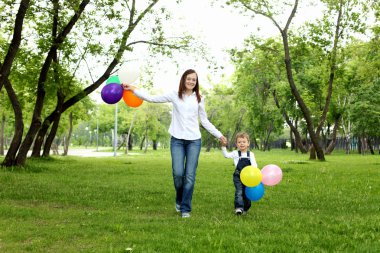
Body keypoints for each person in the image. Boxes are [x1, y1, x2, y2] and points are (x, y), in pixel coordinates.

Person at [123, 69, 227, 218]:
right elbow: (152, 98)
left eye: (194, 80)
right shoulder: (174, 95)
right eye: (189, 79)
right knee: (178, 174)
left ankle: (185, 208)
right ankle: (179, 199)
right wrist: (133, 89)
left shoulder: (199, 98)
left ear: (196, 82)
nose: (191, 81)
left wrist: (219, 135)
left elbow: (204, 120)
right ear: (183, 80)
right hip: (177, 140)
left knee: (190, 175)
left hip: (194, 141)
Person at [221, 132, 258, 215]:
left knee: (247, 193)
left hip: (248, 177)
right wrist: (223, 147)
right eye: (239, 142)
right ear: (236, 144)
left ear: (248, 143)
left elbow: (254, 165)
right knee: (239, 191)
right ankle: (239, 208)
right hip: (238, 176)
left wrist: (254, 174)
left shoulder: (251, 154)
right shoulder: (235, 153)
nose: (242, 144)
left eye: (244, 142)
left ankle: (246, 207)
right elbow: (226, 155)